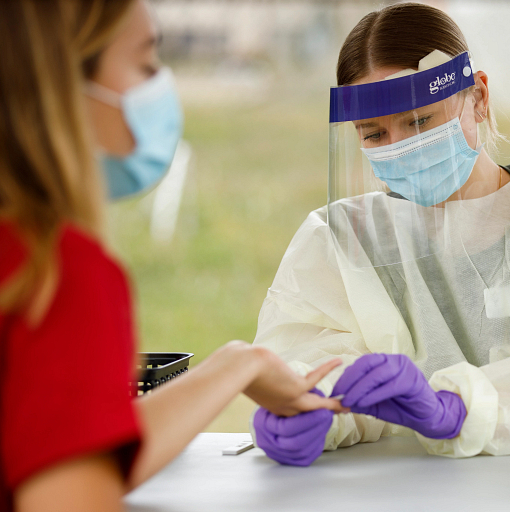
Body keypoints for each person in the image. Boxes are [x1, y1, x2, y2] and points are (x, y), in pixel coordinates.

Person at [250, 2, 510, 465]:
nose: (400, 145)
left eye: (420, 121)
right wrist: (312, 410)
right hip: (396, 492)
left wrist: (461, 408)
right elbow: (310, 357)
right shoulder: (340, 239)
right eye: (374, 134)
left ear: (478, 98)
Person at [0, 1, 344, 510]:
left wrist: (239, 364)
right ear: (60, 83)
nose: (161, 87)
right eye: (145, 64)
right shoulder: (58, 275)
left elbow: (65, 447)